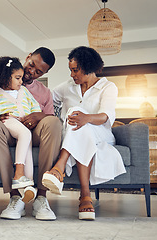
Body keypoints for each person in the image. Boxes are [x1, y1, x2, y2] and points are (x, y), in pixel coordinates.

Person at [42, 46, 126, 220]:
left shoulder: (108, 87)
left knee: (78, 114)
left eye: (75, 70)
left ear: (88, 67)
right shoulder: (67, 87)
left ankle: (59, 168)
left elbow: (106, 116)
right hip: (75, 134)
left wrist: (86, 118)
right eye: (71, 70)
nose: (72, 75)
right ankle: (85, 197)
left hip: (101, 135)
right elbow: (48, 99)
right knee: (77, 119)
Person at [0, 47, 62, 220]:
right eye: (31, 65)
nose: (31, 72)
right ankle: (15, 197)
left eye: (38, 72)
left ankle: (41, 197)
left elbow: (50, 118)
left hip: (35, 132)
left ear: (44, 73)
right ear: (28, 57)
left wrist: (40, 115)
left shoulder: (44, 93)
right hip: (8, 129)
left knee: (54, 123)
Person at [0, 57, 40, 202]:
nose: (21, 81)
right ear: (5, 78)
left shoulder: (24, 91)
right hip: (8, 121)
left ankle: (28, 184)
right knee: (25, 134)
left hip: (24, 125)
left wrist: (35, 117)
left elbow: (35, 107)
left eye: (21, 78)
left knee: (28, 150)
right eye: (17, 78)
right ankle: (18, 173)